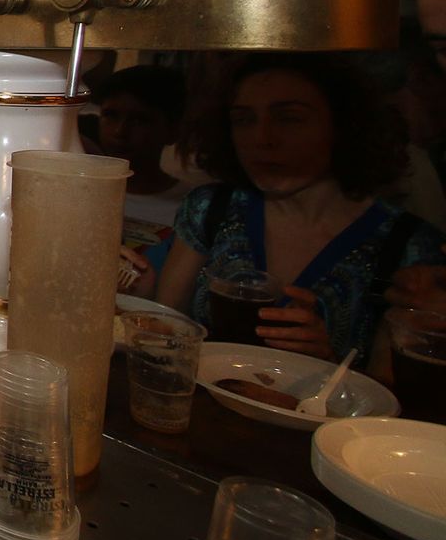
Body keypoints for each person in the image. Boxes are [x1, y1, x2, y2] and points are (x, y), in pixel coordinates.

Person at [154, 53, 445, 363]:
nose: (262, 138)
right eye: (244, 119)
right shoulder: (211, 209)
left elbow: (395, 397)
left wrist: (326, 363)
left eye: (289, 118)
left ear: (343, 124)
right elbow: (161, 333)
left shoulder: (405, 247)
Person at [96, 65, 190, 297]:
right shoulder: (79, 194)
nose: (120, 131)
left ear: (173, 130)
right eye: (110, 115)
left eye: (139, 120)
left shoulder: (191, 208)